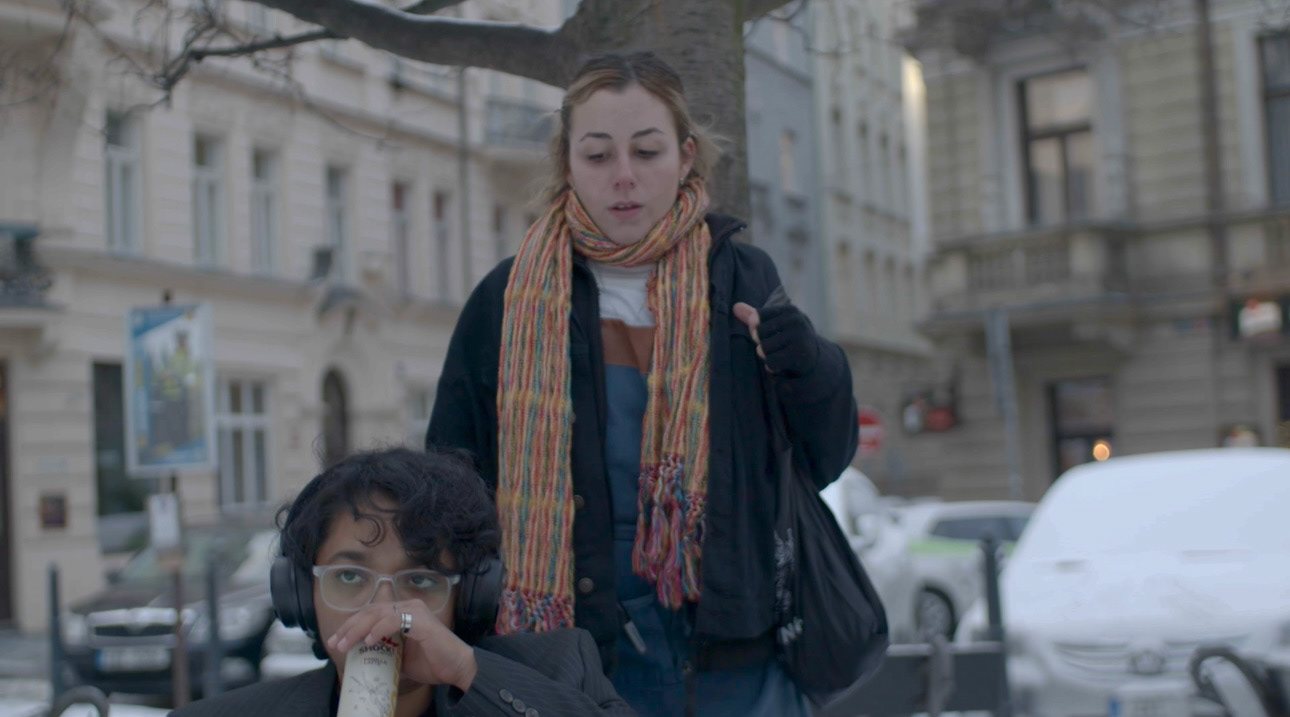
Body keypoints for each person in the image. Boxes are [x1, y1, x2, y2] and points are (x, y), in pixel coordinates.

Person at [426, 51, 858, 717]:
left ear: (686, 157)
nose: (623, 177)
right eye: (598, 155)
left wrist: (810, 365)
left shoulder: (739, 277)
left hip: (735, 652)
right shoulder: (506, 300)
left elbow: (824, 456)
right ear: (566, 161)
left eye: (647, 151)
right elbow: (450, 481)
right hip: (577, 659)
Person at [170, 447, 635, 717]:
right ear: (300, 594)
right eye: (349, 576)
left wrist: (468, 673)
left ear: (470, 597)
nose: (385, 611)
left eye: (421, 580)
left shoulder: (559, 670)